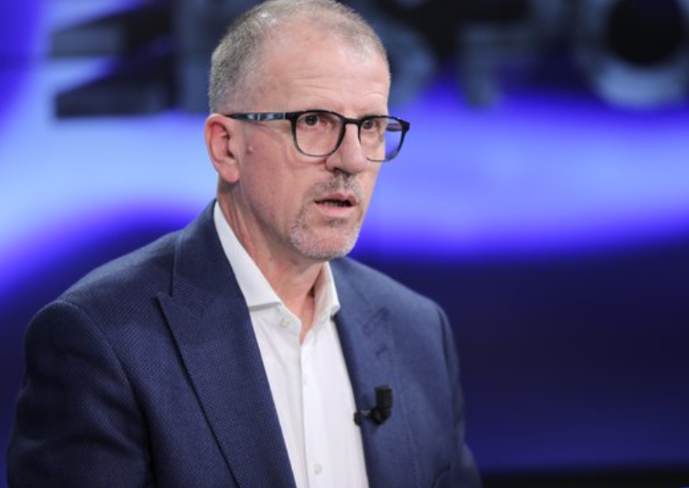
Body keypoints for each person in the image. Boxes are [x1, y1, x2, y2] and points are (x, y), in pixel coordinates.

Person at [7, 0, 481, 486]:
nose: (353, 159)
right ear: (226, 147)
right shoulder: (101, 341)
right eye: (314, 122)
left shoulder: (418, 331)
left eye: (371, 127)